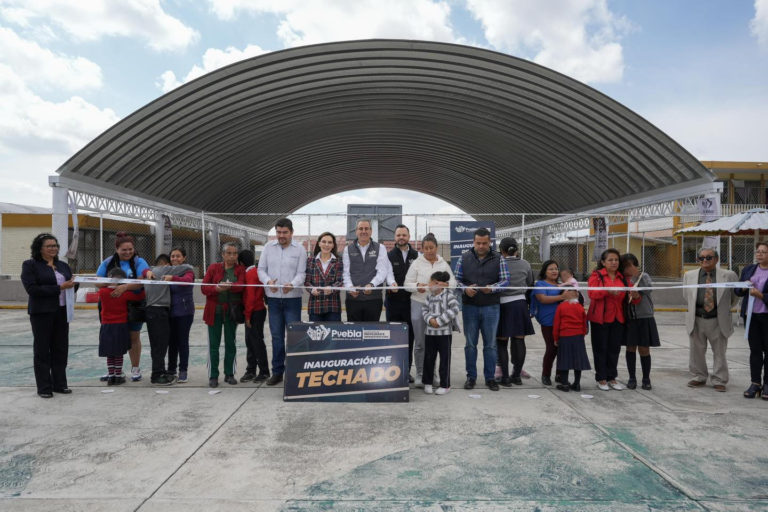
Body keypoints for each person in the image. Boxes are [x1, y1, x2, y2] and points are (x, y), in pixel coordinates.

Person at [21, 233, 77, 398]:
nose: (54, 248)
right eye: (49, 246)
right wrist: (59, 288)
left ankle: (59, 383)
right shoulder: (30, 265)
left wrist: (75, 283)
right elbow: (32, 290)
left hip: (61, 311)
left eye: (55, 246)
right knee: (42, 349)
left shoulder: (63, 266)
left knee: (61, 348)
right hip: (42, 313)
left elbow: (70, 287)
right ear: (40, 248)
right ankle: (44, 387)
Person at [454, 228, 510, 391]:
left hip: (491, 307)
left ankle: (490, 378)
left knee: (490, 345)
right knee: (470, 344)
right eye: (478, 243)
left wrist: (492, 288)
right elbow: (455, 280)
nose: (481, 246)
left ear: (490, 242)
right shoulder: (463, 258)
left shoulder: (499, 258)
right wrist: (465, 289)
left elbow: (506, 280)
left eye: (484, 243)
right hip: (470, 307)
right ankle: (471, 377)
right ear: (473, 242)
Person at [404, 233, 457, 387]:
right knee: (420, 342)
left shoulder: (443, 264)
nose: (429, 251)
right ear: (422, 248)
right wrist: (417, 287)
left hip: (439, 307)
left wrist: (447, 285)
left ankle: (432, 375)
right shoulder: (416, 263)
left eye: (431, 248)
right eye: (426, 248)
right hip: (419, 304)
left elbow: (453, 281)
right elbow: (407, 283)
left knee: (434, 343)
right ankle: (420, 374)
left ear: (436, 247)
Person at [258, 218, 307, 386]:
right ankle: (277, 372)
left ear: (291, 232)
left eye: (285, 232)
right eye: (278, 232)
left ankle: (295, 372)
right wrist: (268, 282)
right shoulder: (267, 248)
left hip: (292, 299)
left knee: (294, 337)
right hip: (273, 300)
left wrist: (292, 285)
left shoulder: (300, 249)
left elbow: (302, 273)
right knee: (277, 337)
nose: (281, 235)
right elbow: (261, 270)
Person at [95, 232, 149, 382]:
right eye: (124, 249)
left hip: (133, 305)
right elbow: (98, 281)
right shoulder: (107, 262)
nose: (128, 252)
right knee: (112, 338)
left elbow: (141, 282)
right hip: (112, 306)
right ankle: (114, 371)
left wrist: (124, 288)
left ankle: (135, 369)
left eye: (130, 249)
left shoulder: (140, 261)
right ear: (117, 249)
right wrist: (113, 285)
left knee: (133, 337)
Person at [683, 248, 739, 392]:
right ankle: (699, 377)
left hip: (717, 320)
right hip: (697, 319)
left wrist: (720, 310)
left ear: (716, 259)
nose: (705, 260)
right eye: (701, 258)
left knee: (719, 352)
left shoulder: (729, 275)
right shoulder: (689, 275)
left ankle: (719, 379)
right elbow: (686, 296)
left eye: (708, 257)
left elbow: (734, 297)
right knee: (696, 351)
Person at [142, 254, 194, 386]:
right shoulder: (164, 270)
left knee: (157, 344)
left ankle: (160, 371)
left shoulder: (150, 271)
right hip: (159, 312)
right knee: (160, 345)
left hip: (151, 311)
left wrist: (146, 270)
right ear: (165, 264)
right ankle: (157, 374)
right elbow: (189, 267)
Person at [202, 242, 246, 388]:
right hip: (213, 311)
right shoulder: (213, 268)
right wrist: (216, 288)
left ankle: (230, 373)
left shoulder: (240, 269)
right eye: (229, 253)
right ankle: (213, 375)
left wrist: (230, 286)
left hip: (231, 313)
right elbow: (204, 288)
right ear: (222, 254)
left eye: (235, 253)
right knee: (213, 345)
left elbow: (241, 286)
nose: (232, 256)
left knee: (230, 343)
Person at [495, 237, 535, 387]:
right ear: (516, 249)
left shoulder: (498, 263)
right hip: (520, 304)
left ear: (501, 250)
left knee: (501, 342)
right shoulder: (525, 264)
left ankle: (504, 377)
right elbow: (530, 282)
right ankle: (516, 375)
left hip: (502, 304)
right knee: (519, 341)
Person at [588, 249, 627, 391]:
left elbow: (628, 294)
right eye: (610, 260)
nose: (614, 262)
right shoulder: (596, 275)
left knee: (614, 348)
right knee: (600, 348)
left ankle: (612, 377)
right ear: (603, 262)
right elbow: (592, 293)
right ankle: (601, 378)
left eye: (616, 260)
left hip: (618, 317)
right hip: (600, 318)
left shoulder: (622, 277)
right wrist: (607, 290)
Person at [620, 253, 660, 391]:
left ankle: (646, 378)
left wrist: (636, 276)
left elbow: (648, 289)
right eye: (627, 266)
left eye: (633, 265)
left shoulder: (644, 276)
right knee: (630, 347)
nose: (630, 268)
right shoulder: (622, 279)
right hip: (629, 318)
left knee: (644, 348)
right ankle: (632, 377)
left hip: (644, 317)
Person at [343, 218, 397, 321]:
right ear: (356, 231)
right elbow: (346, 273)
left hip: (374, 299)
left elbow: (382, 271)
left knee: (372, 332)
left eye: (366, 228)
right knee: (354, 333)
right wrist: (351, 288)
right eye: (361, 229)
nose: (364, 231)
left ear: (371, 231)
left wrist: (372, 285)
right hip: (353, 299)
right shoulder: (347, 249)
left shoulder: (380, 248)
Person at [99, 268, 145, 386]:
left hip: (106, 326)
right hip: (120, 326)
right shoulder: (125, 294)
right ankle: (118, 376)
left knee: (110, 352)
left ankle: (111, 375)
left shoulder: (102, 292)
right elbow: (139, 296)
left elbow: (99, 286)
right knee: (119, 352)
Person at [386, 224, 419, 381]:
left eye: (404, 235)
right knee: (393, 338)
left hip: (411, 303)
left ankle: (406, 371)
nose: (401, 238)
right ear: (395, 237)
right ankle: (393, 371)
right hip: (393, 303)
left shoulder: (417, 256)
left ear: (409, 236)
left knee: (409, 338)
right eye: (398, 235)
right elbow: (385, 275)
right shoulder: (388, 256)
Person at [736, 242, 768, 400]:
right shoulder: (749, 269)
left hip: (766, 316)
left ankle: (767, 384)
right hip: (751, 316)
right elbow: (738, 290)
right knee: (755, 351)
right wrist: (743, 288)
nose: (760, 254)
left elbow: (761, 295)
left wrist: (761, 296)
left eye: (764, 252)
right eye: (758, 251)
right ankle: (755, 383)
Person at [421, 271, 460, 395]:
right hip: (430, 333)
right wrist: (430, 320)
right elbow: (424, 310)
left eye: (430, 282)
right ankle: (427, 382)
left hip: (444, 334)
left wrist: (439, 321)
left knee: (444, 359)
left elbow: (455, 309)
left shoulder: (449, 295)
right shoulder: (429, 296)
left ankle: (445, 385)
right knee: (428, 358)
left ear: (437, 283)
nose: (428, 284)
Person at [530, 260, 568, 386]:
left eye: (556, 269)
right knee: (551, 348)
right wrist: (562, 297)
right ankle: (546, 374)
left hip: (564, 321)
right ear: (545, 271)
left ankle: (560, 374)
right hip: (548, 322)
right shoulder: (540, 284)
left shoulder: (562, 285)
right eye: (551, 269)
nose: (554, 271)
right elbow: (543, 299)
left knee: (562, 349)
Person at [241, 249, 270, 383]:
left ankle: (263, 371)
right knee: (250, 341)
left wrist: (247, 315)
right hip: (258, 310)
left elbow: (250, 297)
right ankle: (251, 369)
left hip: (255, 311)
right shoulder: (255, 271)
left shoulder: (251, 274)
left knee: (256, 342)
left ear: (241, 263)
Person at [167, 248, 195, 383]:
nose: (175, 259)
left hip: (185, 312)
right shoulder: (166, 271)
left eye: (178, 256)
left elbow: (187, 281)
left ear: (184, 258)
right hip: (169, 313)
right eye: (172, 256)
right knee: (171, 343)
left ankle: (183, 370)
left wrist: (172, 278)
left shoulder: (188, 271)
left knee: (182, 342)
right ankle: (171, 370)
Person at [553, 290, 590, 392]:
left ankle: (564, 384)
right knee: (578, 360)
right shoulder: (580, 308)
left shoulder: (561, 307)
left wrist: (556, 338)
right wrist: (582, 335)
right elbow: (584, 324)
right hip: (578, 336)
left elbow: (557, 324)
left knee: (564, 359)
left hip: (565, 336)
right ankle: (577, 384)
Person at [305, 232, 344, 321]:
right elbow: (307, 281)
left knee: (333, 334)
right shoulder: (310, 260)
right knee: (316, 334)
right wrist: (311, 289)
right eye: (324, 242)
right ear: (319, 243)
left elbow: (341, 281)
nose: (326, 245)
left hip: (333, 305)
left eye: (330, 242)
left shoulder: (338, 261)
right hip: (315, 305)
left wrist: (332, 288)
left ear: (333, 245)